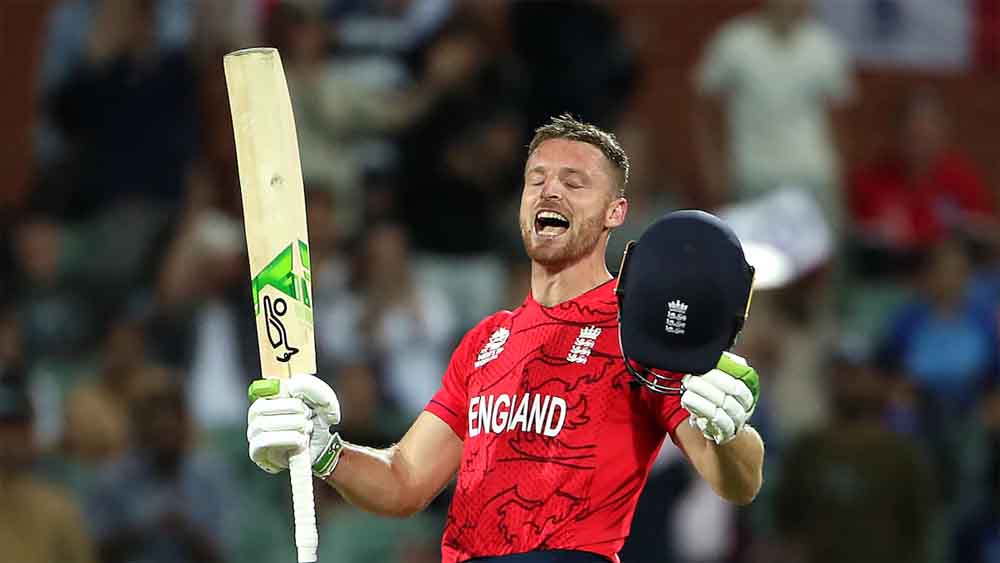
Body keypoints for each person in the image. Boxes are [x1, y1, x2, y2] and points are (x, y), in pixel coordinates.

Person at [246, 115, 765, 563]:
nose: (550, 191)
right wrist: (326, 451)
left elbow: (737, 482)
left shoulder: (637, 328)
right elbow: (405, 481)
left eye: (574, 182)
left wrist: (730, 432)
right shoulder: (486, 340)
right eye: (536, 179)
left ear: (615, 212)